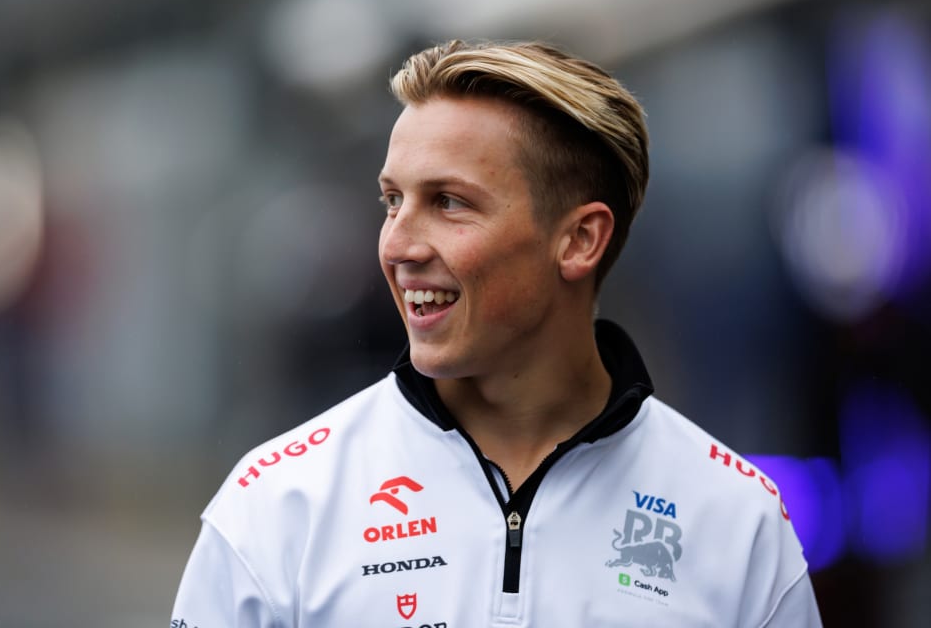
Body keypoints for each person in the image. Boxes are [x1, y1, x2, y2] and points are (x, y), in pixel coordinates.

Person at [170, 39, 822, 627]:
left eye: (449, 202)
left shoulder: (739, 523)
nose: (396, 245)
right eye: (392, 201)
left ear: (579, 240)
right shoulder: (278, 503)